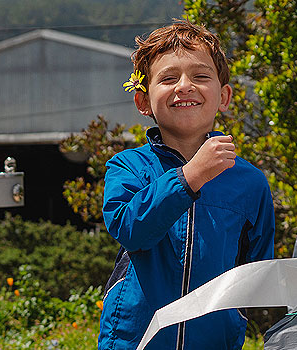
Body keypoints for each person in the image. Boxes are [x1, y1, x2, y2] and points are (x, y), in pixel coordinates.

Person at [99, 21, 275, 350]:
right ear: (143, 102)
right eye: (168, 78)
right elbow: (130, 229)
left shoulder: (250, 181)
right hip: (135, 341)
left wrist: (234, 318)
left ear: (223, 96)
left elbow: (256, 273)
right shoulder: (128, 167)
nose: (185, 86)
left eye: (200, 76)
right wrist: (189, 176)